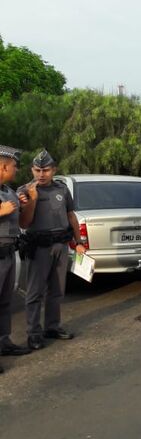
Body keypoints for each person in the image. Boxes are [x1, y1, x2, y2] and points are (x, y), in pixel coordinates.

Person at [18, 150, 85, 350]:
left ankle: (52, 327)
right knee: (35, 292)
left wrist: (78, 241)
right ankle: (33, 333)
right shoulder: (25, 190)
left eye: (45, 170)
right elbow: (24, 221)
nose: (41, 174)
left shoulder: (62, 189)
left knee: (56, 291)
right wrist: (32, 199)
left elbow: (71, 215)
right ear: (32, 170)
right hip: (38, 247)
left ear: (53, 170)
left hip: (61, 245)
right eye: (37, 170)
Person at [0, 146, 31, 372]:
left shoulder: (9, 193)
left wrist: (26, 204)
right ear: (3, 166)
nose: (16, 170)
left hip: (10, 253)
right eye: (14, 166)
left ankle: (4, 342)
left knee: (5, 301)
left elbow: (23, 223)